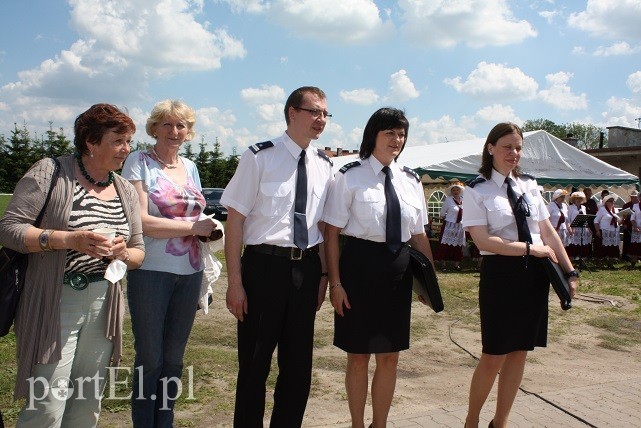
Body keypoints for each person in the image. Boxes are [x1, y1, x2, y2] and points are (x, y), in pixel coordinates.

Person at [0, 104, 145, 426]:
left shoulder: (124, 190)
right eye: (118, 141)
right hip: (54, 302)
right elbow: (9, 229)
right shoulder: (49, 172)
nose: (127, 149)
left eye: (129, 141)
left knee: (86, 403)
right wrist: (68, 239)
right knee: (47, 404)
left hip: (103, 305)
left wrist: (120, 253)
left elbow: (138, 252)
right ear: (91, 142)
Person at [221, 86, 334, 427]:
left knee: (298, 368)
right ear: (292, 113)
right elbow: (235, 221)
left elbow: (325, 226)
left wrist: (325, 276)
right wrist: (235, 283)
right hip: (264, 268)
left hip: (307, 270)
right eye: (315, 112)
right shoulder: (259, 157)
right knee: (255, 365)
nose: (321, 120)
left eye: (326, 114)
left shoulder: (324, 165)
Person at [461, 122, 578, 428]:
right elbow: (483, 241)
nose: (514, 153)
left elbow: (548, 232)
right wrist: (529, 249)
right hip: (501, 276)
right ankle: (471, 421)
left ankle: (500, 422)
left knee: (519, 353)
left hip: (534, 276)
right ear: (491, 149)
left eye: (518, 147)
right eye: (506, 147)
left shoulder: (529, 184)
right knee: (494, 354)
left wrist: (570, 271)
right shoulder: (477, 189)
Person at [323, 107, 433, 428]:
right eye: (390, 133)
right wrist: (336, 283)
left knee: (390, 356)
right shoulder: (349, 176)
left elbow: (419, 235)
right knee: (357, 357)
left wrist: (429, 283)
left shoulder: (411, 181)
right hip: (358, 269)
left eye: (401, 134)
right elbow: (331, 234)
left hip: (397, 274)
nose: (397, 140)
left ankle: (379, 424)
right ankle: (357, 424)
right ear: (373, 135)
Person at [121, 100, 219, 427]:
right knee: (150, 358)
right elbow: (141, 222)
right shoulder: (139, 162)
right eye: (167, 124)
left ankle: (165, 422)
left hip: (189, 274)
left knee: (174, 361)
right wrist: (193, 227)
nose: (175, 131)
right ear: (155, 128)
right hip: (150, 272)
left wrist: (208, 228)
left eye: (181, 125)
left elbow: (196, 214)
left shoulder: (190, 167)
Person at [435, 182, 465, 271]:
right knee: (445, 245)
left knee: (458, 246)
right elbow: (442, 213)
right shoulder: (448, 200)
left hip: (460, 226)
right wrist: (448, 217)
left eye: (457, 190)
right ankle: (443, 264)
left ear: (460, 191)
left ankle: (456, 264)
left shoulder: (464, 200)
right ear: (451, 192)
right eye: (454, 190)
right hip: (449, 225)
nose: (456, 191)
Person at [594, 194, 622, 270]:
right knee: (602, 248)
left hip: (613, 231)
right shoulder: (602, 210)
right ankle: (599, 264)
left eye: (613, 201)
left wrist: (624, 217)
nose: (612, 203)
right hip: (604, 230)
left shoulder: (615, 210)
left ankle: (611, 264)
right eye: (610, 201)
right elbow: (596, 221)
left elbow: (619, 222)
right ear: (606, 202)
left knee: (612, 248)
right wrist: (597, 230)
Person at [566, 191, 592, 260]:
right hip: (573, 228)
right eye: (577, 198)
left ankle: (580, 258)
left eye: (580, 198)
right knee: (573, 243)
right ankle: (573, 258)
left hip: (582, 228)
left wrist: (588, 228)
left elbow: (585, 218)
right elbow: (568, 219)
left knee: (582, 243)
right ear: (574, 199)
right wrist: (570, 228)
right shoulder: (570, 207)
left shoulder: (583, 207)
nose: (578, 200)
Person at [621, 190, 639, 262]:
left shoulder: (639, 206)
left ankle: (636, 257)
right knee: (627, 242)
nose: (634, 199)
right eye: (632, 197)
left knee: (636, 243)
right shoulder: (626, 205)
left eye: (635, 197)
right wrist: (624, 224)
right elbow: (622, 216)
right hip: (628, 226)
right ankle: (626, 256)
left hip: (637, 226)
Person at [628, 193, 641, 268]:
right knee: (635, 246)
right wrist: (635, 227)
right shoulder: (635, 206)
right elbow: (632, 218)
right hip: (637, 228)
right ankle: (633, 263)